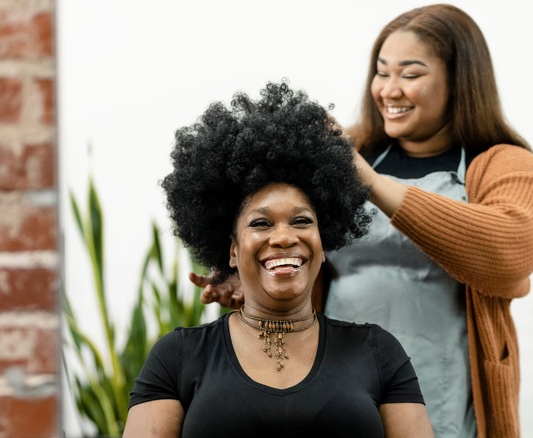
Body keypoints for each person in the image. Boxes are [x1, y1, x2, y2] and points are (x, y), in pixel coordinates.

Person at [193, 5, 533, 437]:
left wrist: (366, 177)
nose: (389, 89)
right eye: (382, 72)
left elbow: (509, 254)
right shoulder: (354, 147)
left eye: (411, 73)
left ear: (460, 80)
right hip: (336, 386)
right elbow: (287, 235)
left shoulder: (500, 165)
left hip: (443, 391)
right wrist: (253, 278)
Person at [123, 81, 434, 437]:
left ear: (323, 241)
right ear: (233, 250)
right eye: (261, 223)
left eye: (302, 221)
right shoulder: (177, 357)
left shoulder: (377, 352)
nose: (285, 237)